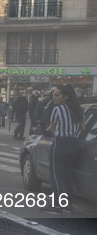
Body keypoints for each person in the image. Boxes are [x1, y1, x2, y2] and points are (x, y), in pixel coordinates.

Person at [41, 84, 86, 215]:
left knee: (55, 175)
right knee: (67, 174)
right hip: (73, 142)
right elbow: (83, 128)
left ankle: (57, 206)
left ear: (65, 97)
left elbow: (52, 128)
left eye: (57, 95)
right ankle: (68, 205)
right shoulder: (79, 110)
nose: (54, 97)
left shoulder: (58, 109)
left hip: (60, 142)